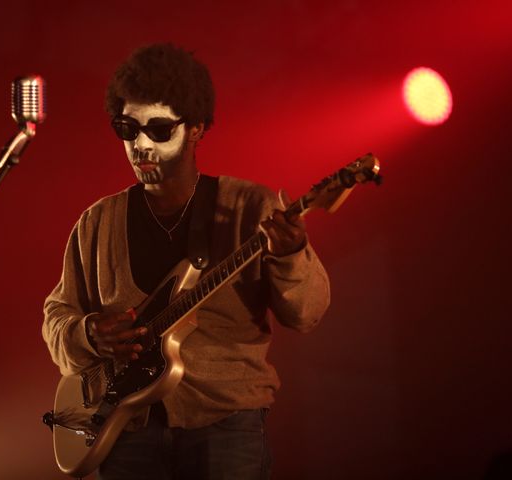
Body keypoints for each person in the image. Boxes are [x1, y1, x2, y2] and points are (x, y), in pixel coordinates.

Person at [43, 43, 330, 479]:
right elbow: (57, 313)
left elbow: (307, 313)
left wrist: (290, 255)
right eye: (127, 128)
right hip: (125, 429)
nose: (140, 144)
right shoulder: (97, 222)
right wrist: (86, 334)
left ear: (196, 128)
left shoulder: (250, 207)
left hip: (225, 425)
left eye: (159, 129)